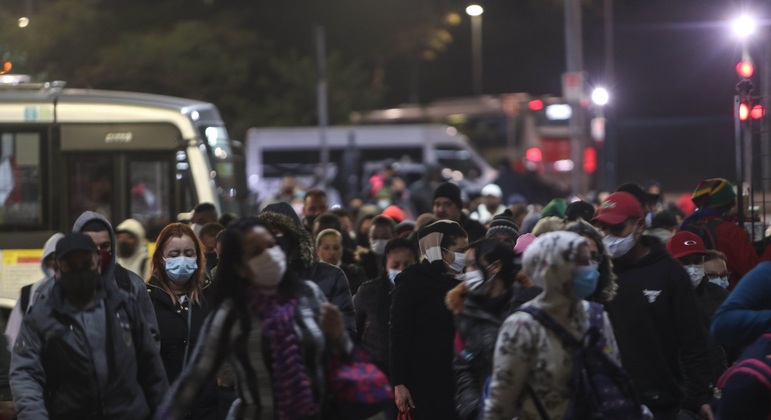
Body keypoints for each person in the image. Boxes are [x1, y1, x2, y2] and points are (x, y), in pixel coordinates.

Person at [156, 217, 351, 419]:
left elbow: (345, 362)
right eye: (256, 251)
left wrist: (338, 338)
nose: (269, 254)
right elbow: (193, 381)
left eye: (270, 245)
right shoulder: (232, 313)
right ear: (240, 266)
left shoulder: (309, 295)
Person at [11, 233, 168, 419]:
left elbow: (151, 368)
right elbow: (26, 374)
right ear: (56, 268)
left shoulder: (123, 306)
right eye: (71, 266)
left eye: (87, 264)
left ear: (98, 264)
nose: (80, 272)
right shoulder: (42, 316)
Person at [592, 192, 714, 419]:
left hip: (660, 401)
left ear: (639, 226)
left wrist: (702, 395)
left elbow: (693, 339)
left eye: (617, 228)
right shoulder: (600, 273)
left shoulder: (670, 274)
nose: (609, 237)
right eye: (603, 229)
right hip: (607, 399)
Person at [482, 231, 622, 420]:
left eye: (589, 260)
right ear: (552, 268)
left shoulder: (597, 317)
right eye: (579, 262)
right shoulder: (521, 326)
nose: (589, 269)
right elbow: (501, 400)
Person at [391, 220, 468, 419]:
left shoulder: (465, 282)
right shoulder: (413, 281)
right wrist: (399, 383)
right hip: (422, 380)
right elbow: (400, 332)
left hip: (457, 380)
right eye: (460, 250)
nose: (465, 257)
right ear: (438, 250)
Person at [147, 223, 218, 420]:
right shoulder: (146, 300)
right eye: (174, 254)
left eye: (188, 253)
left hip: (206, 410)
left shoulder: (210, 298)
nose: (182, 259)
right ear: (161, 258)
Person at [259, 202, 357, 337]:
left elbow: (345, 333)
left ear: (294, 236)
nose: (272, 241)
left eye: (276, 233)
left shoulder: (332, 276)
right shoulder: (256, 282)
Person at [446, 239, 517, 420]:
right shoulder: (465, 314)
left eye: (472, 265)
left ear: (495, 267)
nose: (468, 272)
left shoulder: (524, 306)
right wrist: (472, 408)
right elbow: (463, 366)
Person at [73, 211, 160, 345]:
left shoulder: (132, 285)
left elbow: (150, 341)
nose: (98, 254)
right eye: (90, 246)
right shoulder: (53, 290)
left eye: (104, 246)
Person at [680, 177, 771, 288]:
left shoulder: (689, 225)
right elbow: (754, 272)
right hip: (729, 295)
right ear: (729, 203)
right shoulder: (730, 231)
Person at [666, 231, 730, 385]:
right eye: (685, 262)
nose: (693, 268)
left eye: (697, 261)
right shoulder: (661, 298)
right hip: (680, 391)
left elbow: (735, 343)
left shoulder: (719, 296)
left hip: (718, 384)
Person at [354, 238, 418, 376]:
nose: (401, 270)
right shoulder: (368, 292)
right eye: (395, 265)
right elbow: (354, 332)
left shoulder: (425, 292)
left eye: (407, 264)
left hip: (415, 371)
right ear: (386, 266)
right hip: (375, 372)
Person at [5, 232, 63, 350]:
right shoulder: (28, 294)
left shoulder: (77, 292)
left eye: (58, 258)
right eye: (50, 258)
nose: (54, 263)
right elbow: (12, 335)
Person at [565, 220, 618, 304]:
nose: (589, 264)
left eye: (594, 256)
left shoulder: (605, 308)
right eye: (580, 257)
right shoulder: (542, 311)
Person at [316, 228, 367, 294]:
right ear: (317, 250)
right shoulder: (309, 274)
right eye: (326, 248)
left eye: (336, 248)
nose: (332, 252)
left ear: (342, 249)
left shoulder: (355, 273)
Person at [357, 215, 396, 280]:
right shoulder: (361, 267)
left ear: (394, 236)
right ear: (368, 238)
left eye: (385, 237)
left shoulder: (401, 263)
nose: (379, 241)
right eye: (375, 238)